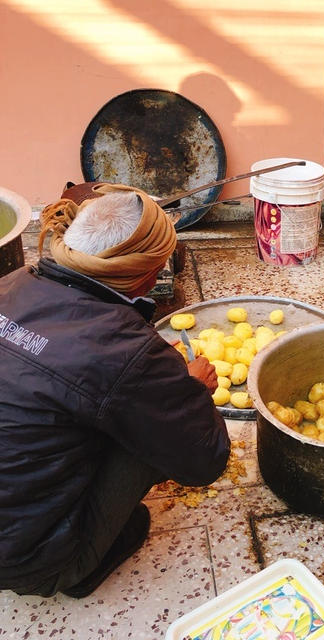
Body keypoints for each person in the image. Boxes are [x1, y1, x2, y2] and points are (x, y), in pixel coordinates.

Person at [0, 184, 230, 598]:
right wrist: (188, 390)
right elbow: (205, 462)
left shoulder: (12, 284)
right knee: (155, 428)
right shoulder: (125, 351)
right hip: (29, 560)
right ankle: (75, 567)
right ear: (146, 273)